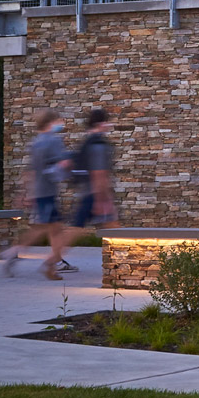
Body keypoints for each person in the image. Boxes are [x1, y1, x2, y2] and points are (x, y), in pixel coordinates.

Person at [0, 109, 71, 279]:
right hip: (48, 191)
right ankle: (18, 253)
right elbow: (64, 162)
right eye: (57, 120)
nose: (60, 124)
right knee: (45, 229)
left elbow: (30, 171)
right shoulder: (53, 141)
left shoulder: (35, 142)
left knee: (53, 228)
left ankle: (53, 263)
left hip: (39, 191)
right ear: (50, 123)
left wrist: (26, 193)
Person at [50, 108, 119, 275]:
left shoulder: (89, 141)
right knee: (111, 229)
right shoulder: (97, 144)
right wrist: (101, 199)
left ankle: (51, 261)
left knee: (78, 228)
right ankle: (50, 261)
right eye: (107, 121)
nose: (109, 125)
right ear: (100, 123)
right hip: (96, 194)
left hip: (91, 193)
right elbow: (98, 173)